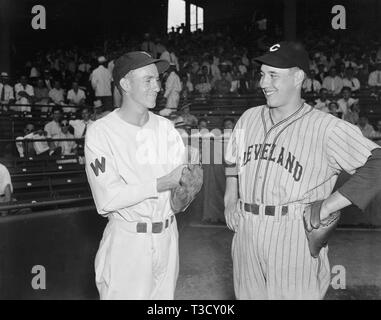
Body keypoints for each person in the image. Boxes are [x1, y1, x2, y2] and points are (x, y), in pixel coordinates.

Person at [224, 41, 381, 300]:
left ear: (298, 77)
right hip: (246, 231)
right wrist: (231, 199)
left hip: (294, 232)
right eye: (262, 74)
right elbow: (231, 159)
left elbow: (377, 162)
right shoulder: (248, 117)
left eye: (273, 75)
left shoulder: (326, 127)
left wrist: (330, 205)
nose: (264, 83)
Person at [85, 51, 187, 300]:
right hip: (129, 241)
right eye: (148, 80)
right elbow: (107, 199)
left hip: (167, 237)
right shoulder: (101, 132)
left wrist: (186, 192)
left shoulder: (166, 128)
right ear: (126, 84)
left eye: (157, 80)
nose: (158, 87)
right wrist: (161, 183)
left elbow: (179, 194)